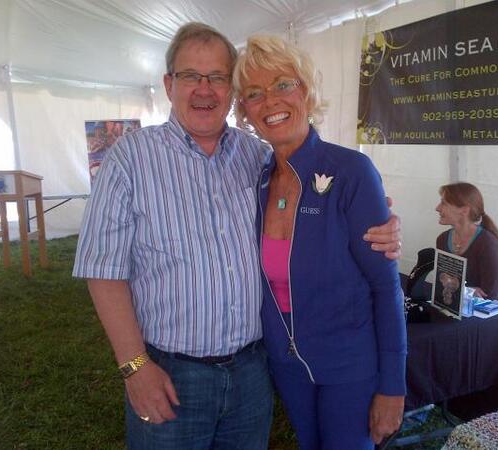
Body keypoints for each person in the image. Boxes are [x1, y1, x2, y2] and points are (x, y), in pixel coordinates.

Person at [73, 22, 401, 450]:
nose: (204, 89)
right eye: (191, 76)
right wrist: (135, 367)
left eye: (218, 77)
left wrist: (380, 218)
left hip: (253, 373)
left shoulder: (257, 157)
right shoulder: (129, 159)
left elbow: (346, 237)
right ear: (169, 84)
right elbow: (103, 271)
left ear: (231, 93)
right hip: (172, 374)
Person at [232, 35, 406, 449]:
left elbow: (386, 287)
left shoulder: (352, 171)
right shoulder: (255, 179)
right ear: (245, 111)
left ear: (307, 92)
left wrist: (393, 386)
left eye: (283, 84)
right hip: (286, 364)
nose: (270, 101)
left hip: (349, 365)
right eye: (254, 93)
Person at [435, 182, 498, 306]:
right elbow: (443, 281)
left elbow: (488, 297)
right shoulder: (442, 239)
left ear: (464, 210)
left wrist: (460, 290)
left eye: (444, 203)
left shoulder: (488, 245)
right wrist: (468, 291)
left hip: (496, 309)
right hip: (461, 305)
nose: (437, 208)